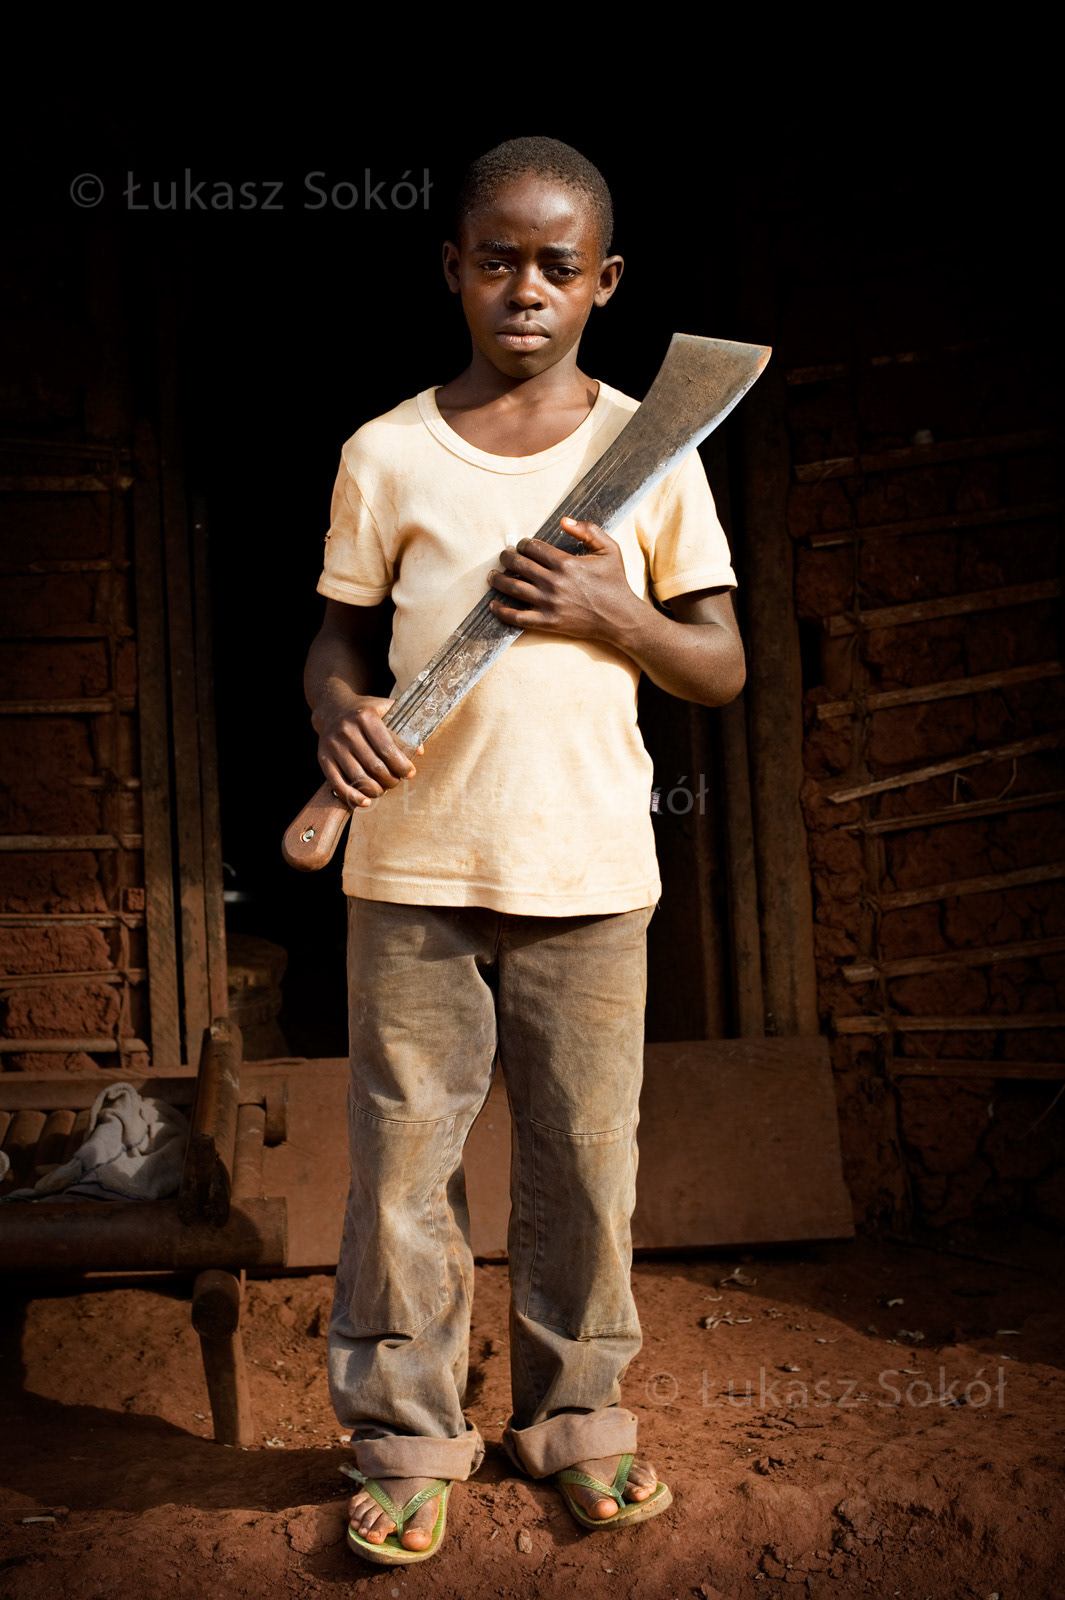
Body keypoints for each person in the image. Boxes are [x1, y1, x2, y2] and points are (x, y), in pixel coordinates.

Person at [303, 136, 746, 1564]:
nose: (526, 289)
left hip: (590, 870)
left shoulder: (654, 450)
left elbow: (719, 665)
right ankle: (407, 1439)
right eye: (496, 260)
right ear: (453, 269)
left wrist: (617, 614)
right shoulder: (386, 453)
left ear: (605, 282)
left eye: (559, 265)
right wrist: (339, 716)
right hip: (411, 870)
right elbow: (336, 644)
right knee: (401, 1167)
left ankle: (575, 1423)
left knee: (585, 1163)